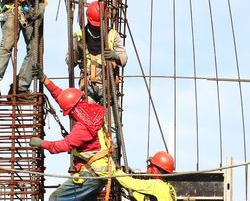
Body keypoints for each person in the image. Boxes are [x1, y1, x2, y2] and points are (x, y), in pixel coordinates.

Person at [30, 77, 178, 201]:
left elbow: (64, 145)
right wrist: (45, 80)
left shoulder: (82, 128)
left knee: (55, 199)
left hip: (91, 174)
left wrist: (42, 143)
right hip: (100, 172)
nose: (67, 115)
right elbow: (64, 97)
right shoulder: (91, 110)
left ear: (155, 169)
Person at [69, 0, 127, 104]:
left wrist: (115, 56)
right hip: (88, 88)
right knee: (88, 117)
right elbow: (70, 62)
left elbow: (124, 59)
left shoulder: (113, 35)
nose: (97, 27)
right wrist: (77, 50)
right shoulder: (79, 36)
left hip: (108, 89)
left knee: (111, 120)